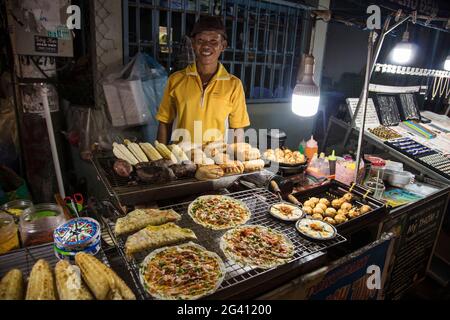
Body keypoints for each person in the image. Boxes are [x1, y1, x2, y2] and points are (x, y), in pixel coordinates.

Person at [156, 16, 250, 145]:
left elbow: (237, 128)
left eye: (213, 41)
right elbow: (164, 122)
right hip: (181, 157)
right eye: (201, 40)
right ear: (193, 44)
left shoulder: (234, 85)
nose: (206, 46)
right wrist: (161, 155)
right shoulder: (175, 80)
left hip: (215, 160)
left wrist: (237, 158)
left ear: (223, 46)